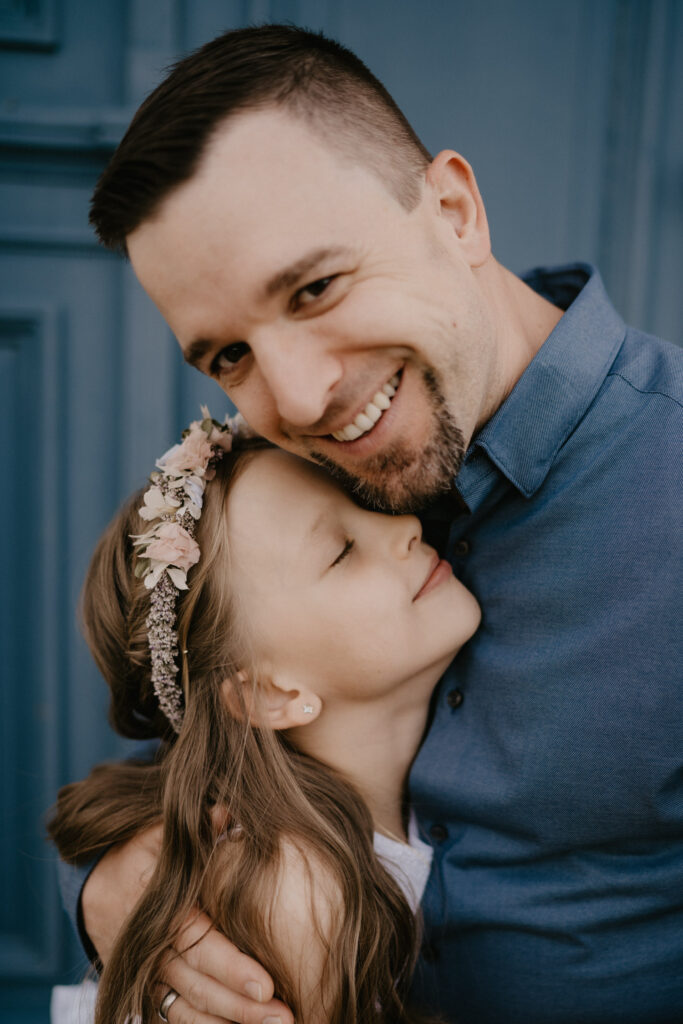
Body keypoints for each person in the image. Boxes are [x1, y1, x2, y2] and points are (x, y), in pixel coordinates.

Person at [59, 23, 683, 1024]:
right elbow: (205, 743)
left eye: (314, 287)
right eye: (226, 356)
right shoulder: (322, 479)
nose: (298, 399)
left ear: (452, 209)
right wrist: (115, 891)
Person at [50, 412, 481, 1023]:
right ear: (268, 695)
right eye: (341, 552)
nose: (408, 526)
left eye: (368, 507)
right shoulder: (292, 894)